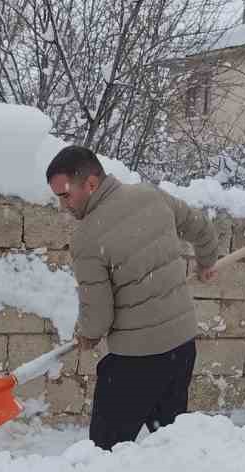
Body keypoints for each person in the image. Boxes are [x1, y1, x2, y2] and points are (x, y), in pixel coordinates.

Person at [45, 145, 220, 450]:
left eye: (65, 195)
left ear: (90, 184)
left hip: (137, 362)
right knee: (170, 438)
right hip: (181, 349)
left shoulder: (87, 238)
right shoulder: (150, 195)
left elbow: (99, 315)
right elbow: (201, 228)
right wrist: (206, 262)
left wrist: (87, 334)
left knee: (105, 448)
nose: (64, 206)